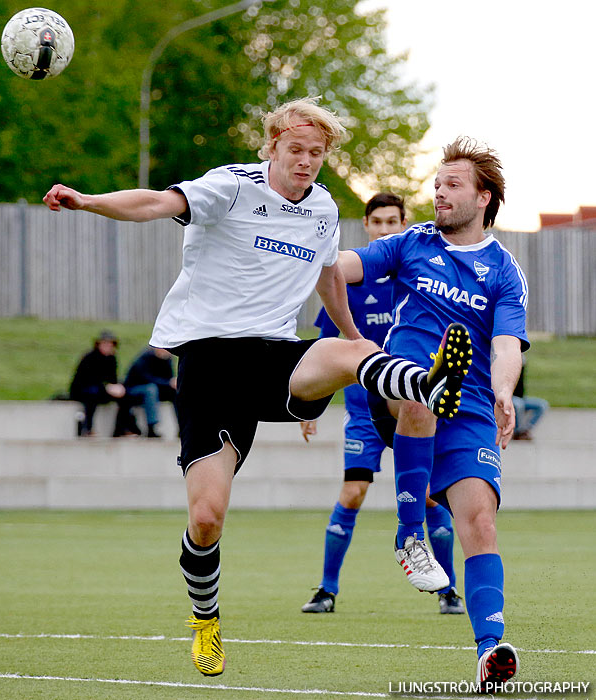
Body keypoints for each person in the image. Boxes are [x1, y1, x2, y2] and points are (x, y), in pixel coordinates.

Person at [43, 97, 469, 678]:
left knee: (358, 351)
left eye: (317, 153)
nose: (307, 162)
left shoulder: (320, 207)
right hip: (209, 367)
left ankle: (422, 384)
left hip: (274, 359)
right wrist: (89, 201)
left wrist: (352, 344)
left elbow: (327, 279)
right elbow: (156, 202)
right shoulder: (230, 188)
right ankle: (206, 621)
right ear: (269, 147)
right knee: (207, 518)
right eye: (296, 149)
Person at [340, 136, 528, 689]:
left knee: (481, 524)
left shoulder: (503, 271)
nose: (439, 195)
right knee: (421, 390)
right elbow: (347, 264)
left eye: (452, 186)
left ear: (484, 197)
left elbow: (507, 345)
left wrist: (503, 392)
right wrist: (317, 258)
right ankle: (409, 534)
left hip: (468, 406)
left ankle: (489, 652)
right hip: (398, 386)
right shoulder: (410, 242)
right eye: (436, 185)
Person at [300, 193, 464, 616]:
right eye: (378, 221)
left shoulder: (420, 279)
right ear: (367, 226)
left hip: (413, 406)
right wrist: (310, 403)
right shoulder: (349, 281)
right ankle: (326, 588)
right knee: (353, 493)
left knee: (428, 495)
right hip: (361, 413)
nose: (386, 228)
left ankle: (447, 588)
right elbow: (327, 347)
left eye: (394, 221)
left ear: (405, 223)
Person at [69, 329, 126, 437]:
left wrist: (117, 387)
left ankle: (120, 429)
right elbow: (86, 379)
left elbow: (113, 378)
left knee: (125, 397)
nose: (107, 346)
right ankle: (87, 428)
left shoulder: (112, 359)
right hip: (83, 389)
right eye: (105, 343)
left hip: (102, 390)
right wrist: (106, 387)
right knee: (92, 395)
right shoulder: (90, 357)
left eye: (110, 344)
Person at [113, 346, 178, 438]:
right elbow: (144, 377)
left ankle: (182, 427)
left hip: (156, 388)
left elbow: (168, 378)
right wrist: (168, 383)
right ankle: (151, 427)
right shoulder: (145, 358)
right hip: (134, 389)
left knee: (176, 392)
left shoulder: (167, 359)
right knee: (151, 390)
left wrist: (172, 383)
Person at [512, 358, 548, 440]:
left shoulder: (522, 364)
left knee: (542, 405)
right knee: (518, 404)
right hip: (508, 398)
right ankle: (517, 432)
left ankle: (525, 430)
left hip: (521, 398)